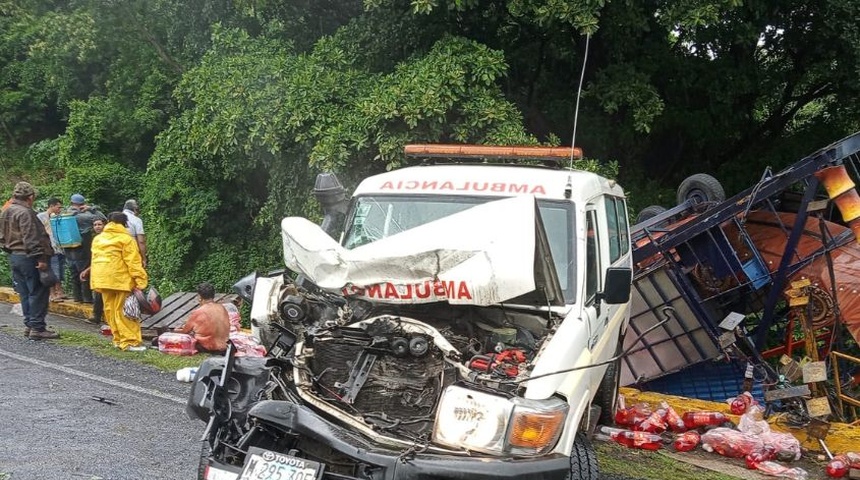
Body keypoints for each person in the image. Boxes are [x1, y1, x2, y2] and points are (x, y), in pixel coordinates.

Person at [0, 182, 59, 339]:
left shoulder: (6, 211)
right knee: (38, 291)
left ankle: (30, 325)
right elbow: (31, 237)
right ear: (31, 197)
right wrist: (41, 258)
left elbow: (2, 236)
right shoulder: (25, 212)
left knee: (25, 293)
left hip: (15, 256)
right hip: (30, 256)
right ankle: (37, 327)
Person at [89, 212, 148, 351]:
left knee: (109, 310)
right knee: (124, 311)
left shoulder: (98, 239)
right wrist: (141, 281)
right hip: (120, 280)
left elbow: (95, 260)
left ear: (108, 222)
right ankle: (130, 342)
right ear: (125, 224)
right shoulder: (126, 239)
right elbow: (133, 262)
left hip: (102, 280)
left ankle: (117, 339)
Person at [65, 193, 106, 304]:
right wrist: (92, 209)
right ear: (81, 204)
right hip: (82, 247)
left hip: (68, 248)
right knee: (84, 271)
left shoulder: (64, 214)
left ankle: (77, 297)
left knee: (74, 273)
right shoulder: (83, 216)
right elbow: (102, 218)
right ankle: (87, 298)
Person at [174, 282, 230, 354]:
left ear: (200, 297)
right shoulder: (222, 308)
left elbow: (185, 332)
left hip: (208, 347)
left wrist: (175, 330)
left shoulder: (198, 312)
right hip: (224, 346)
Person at [36, 197, 67, 301]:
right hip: (48, 247)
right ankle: (52, 294)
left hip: (59, 247)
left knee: (60, 270)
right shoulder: (41, 217)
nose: (59, 209)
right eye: (58, 207)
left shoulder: (59, 217)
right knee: (52, 270)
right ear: (51, 206)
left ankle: (59, 291)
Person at [79, 218, 106, 325]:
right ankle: (96, 316)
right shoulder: (96, 239)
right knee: (98, 293)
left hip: (108, 269)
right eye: (95, 225)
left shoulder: (108, 239)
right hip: (99, 269)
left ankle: (97, 316)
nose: (97, 227)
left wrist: (88, 270)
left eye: (100, 224)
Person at [122, 199, 147, 267]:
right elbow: (141, 241)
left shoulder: (114, 218)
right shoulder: (136, 220)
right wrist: (144, 258)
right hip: (132, 250)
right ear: (135, 209)